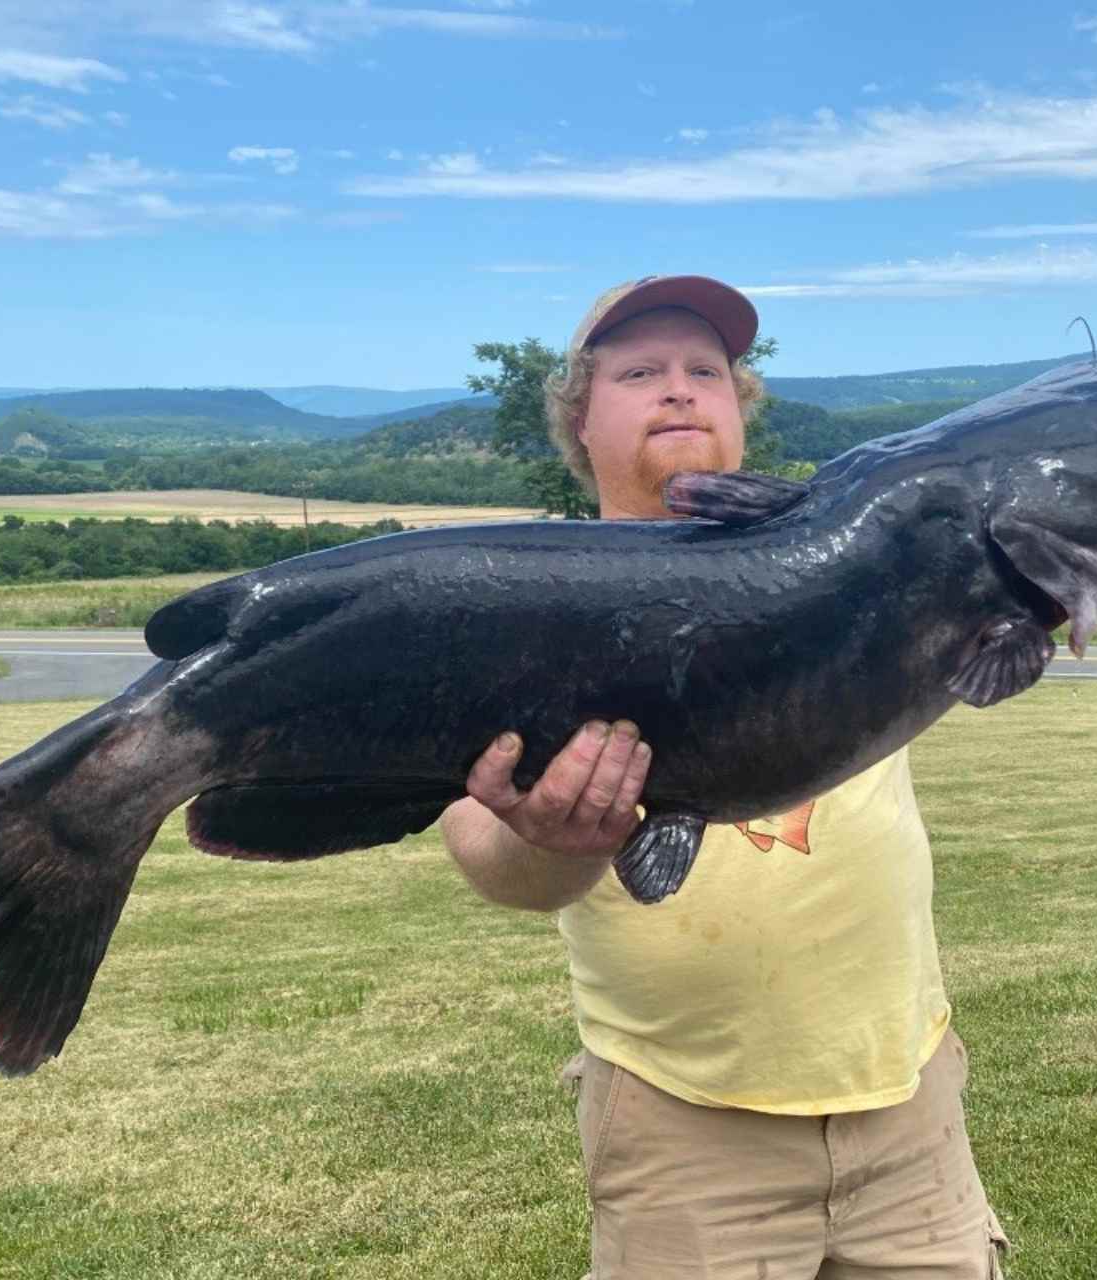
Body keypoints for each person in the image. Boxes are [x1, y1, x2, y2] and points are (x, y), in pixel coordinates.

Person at [439, 275, 1009, 1279]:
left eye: (707, 369)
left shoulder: (849, 558)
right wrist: (547, 832)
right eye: (640, 370)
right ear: (578, 413)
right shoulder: (521, 602)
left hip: (910, 1106)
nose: (679, 390)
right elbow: (489, 861)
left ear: (740, 405)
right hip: (684, 1131)